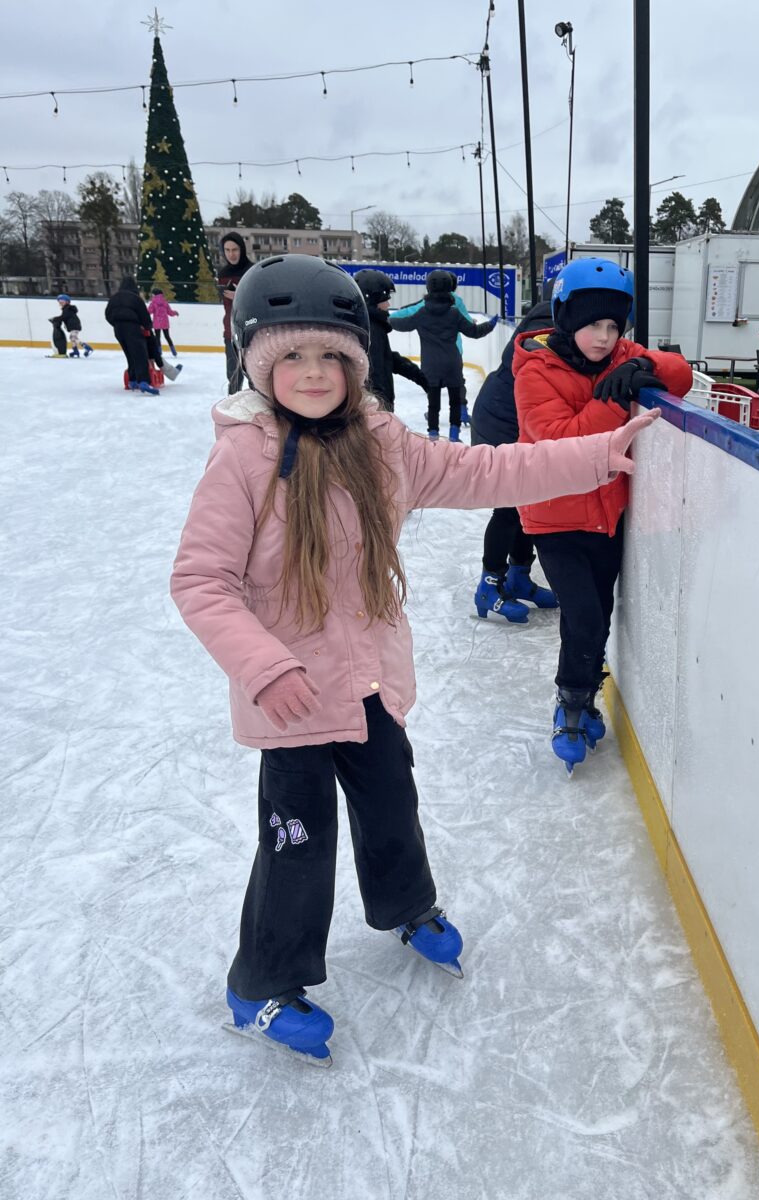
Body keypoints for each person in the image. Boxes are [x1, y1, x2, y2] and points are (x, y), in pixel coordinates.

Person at [169, 254, 658, 1066]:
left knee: (393, 805)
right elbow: (202, 581)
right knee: (298, 844)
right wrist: (263, 666)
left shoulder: (380, 442)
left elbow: (483, 468)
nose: (314, 373)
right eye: (292, 356)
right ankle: (259, 983)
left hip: (364, 681)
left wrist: (597, 453)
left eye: (331, 356)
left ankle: (406, 905)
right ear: (259, 363)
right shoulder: (245, 457)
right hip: (289, 701)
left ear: (357, 361)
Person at [513, 257, 693, 772]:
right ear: (568, 318)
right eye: (594, 324)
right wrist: (617, 400)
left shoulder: (621, 355)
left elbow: (680, 372)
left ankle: (587, 695)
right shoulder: (535, 371)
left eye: (615, 326)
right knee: (584, 616)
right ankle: (569, 703)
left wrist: (646, 369)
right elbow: (561, 442)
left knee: (599, 616)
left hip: (607, 517)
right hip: (554, 517)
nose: (604, 337)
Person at [471, 296, 558, 623]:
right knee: (509, 506)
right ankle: (488, 585)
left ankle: (518, 575)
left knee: (531, 503)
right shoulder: (543, 331)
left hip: (515, 421)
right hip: (502, 424)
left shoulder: (552, 323)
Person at [388, 269, 498, 441]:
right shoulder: (454, 313)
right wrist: (490, 325)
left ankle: (433, 435)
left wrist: (383, 319)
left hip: (430, 366)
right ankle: (454, 435)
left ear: (429, 288)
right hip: (452, 364)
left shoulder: (422, 313)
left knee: (433, 404)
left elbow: (400, 323)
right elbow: (474, 331)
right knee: (454, 401)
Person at [355, 268, 429, 412]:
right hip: (376, 408)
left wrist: (418, 376)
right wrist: (381, 407)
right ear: (372, 300)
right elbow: (373, 372)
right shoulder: (372, 329)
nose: (388, 305)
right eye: (385, 300)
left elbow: (387, 357)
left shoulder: (373, 325)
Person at [104, 276, 159, 395]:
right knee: (140, 355)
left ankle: (133, 380)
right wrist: (147, 327)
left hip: (118, 329)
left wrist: (116, 323)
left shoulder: (113, 298)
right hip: (133, 327)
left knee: (129, 354)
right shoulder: (135, 298)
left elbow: (107, 314)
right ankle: (144, 381)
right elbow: (144, 315)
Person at [217, 231, 253, 393]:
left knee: (255, 376)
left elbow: (259, 301)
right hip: (230, 332)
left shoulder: (252, 271)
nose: (231, 254)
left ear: (242, 249)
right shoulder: (223, 274)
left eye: (235, 249)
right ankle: (233, 413)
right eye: (227, 250)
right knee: (233, 376)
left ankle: (260, 412)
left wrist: (240, 295)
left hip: (251, 330)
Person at [147, 287, 179, 357]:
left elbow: (149, 311)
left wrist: (143, 311)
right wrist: (175, 313)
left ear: (154, 294)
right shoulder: (165, 302)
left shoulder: (153, 302)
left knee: (158, 337)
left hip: (157, 322)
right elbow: (170, 312)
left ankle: (159, 352)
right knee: (167, 336)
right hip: (165, 322)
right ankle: (174, 351)